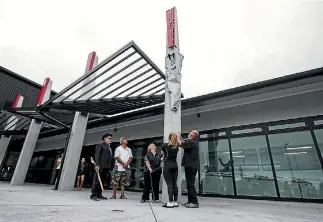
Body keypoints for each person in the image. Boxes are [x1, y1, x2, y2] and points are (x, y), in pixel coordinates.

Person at [179, 130, 200, 208]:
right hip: (190, 166)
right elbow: (185, 145)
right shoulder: (192, 142)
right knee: (189, 185)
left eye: (190, 133)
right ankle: (190, 201)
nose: (189, 133)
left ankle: (195, 202)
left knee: (190, 185)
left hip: (191, 166)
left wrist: (179, 137)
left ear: (193, 135)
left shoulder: (192, 142)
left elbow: (182, 144)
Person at [90, 133, 113, 201]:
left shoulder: (109, 147)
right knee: (97, 180)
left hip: (106, 166)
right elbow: (97, 155)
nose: (110, 140)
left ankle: (99, 194)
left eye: (111, 138)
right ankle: (93, 194)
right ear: (105, 138)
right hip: (100, 166)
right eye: (109, 138)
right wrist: (97, 165)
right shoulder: (100, 145)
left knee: (102, 180)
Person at [161, 132, 180, 208]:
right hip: (175, 165)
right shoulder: (177, 147)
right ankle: (175, 202)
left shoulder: (165, 145)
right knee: (174, 184)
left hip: (167, 166)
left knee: (169, 185)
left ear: (169, 138)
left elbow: (163, 154)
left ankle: (170, 202)